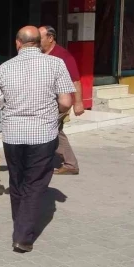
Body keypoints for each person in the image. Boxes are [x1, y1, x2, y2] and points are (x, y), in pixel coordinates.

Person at [0, 26, 75, 253]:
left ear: (18, 43)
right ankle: (22, 236)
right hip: (43, 134)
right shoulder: (56, 64)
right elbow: (66, 102)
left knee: (17, 180)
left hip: (13, 135)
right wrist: (53, 113)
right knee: (35, 183)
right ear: (39, 42)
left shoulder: (4, 67)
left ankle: (20, 223)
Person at [39, 26, 84, 175]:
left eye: (40, 38)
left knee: (48, 128)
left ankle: (68, 163)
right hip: (47, 101)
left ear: (50, 38)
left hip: (61, 101)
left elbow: (75, 80)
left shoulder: (63, 56)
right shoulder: (40, 54)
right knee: (55, 130)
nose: (36, 41)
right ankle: (70, 163)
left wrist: (78, 103)